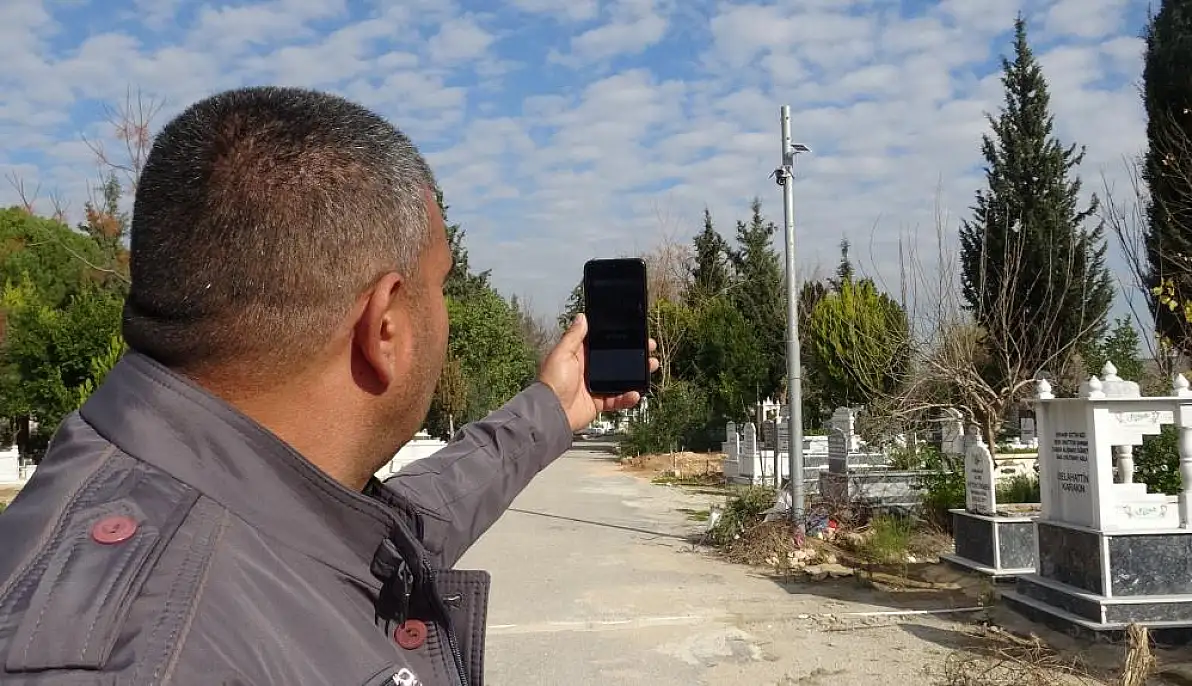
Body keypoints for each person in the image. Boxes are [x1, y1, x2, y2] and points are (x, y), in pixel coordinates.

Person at [0, 86, 656, 686]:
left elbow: (392, 532)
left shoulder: (185, 483)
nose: (446, 314)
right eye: (440, 284)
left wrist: (551, 408)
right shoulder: (138, 659)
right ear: (386, 325)